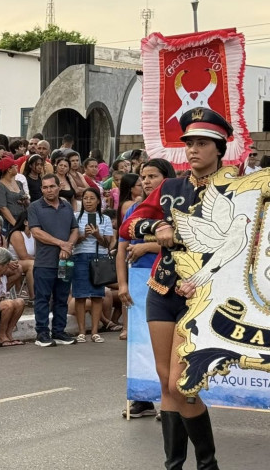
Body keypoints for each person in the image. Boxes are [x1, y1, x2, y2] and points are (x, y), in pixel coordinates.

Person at [121, 109, 229, 470]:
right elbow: (129, 225)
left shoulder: (235, 191)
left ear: (219, 148)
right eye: (189, 143)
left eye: (202, 143)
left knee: (180, 385)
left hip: (202, 297)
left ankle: (208, 466)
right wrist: (156, 226)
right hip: (161, 290)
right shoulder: (170, 187)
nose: (193, 149)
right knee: (165, 380)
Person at [116, 157, 174, 417]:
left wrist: (148, 246)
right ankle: (142, 398)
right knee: (140, 342)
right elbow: (121, 248)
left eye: (153, 177)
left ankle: (168, 400)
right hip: (138, 279)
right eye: (144, 177)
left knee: (166, 344)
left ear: (167, 179)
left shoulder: (177, 208)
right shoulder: (134, 211)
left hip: (168, 278)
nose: (147, 182)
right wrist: (122, 284)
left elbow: (184, 243)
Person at [28, 173, 78, 347]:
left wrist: (68, 246)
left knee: (62, 298)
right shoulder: (35, 207)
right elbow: (36, 232)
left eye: (52, 186)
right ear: (41, 189)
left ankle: (59, 331)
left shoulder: (66, 206)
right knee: (42, 298)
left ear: (59, 187)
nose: (48, 190)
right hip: (45, 262)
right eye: (45, 187)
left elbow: (75, 229)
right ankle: (42, 333)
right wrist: (61, 244)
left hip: (65, 261)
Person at [70, 187, 113, 343]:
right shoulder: (75, 217)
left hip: (98, 257)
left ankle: (95, 331)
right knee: (80, 295)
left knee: (97, 295)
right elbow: (72, 241)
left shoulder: (105, 219)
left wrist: (97, 235)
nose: (88, 201)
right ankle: (82, 331)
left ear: (98, 201)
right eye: (85, 198)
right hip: (80, 256)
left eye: (92, 198)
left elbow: (107, 243)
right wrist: (84, 235)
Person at [0, 154, 27, 231]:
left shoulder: (19, 183)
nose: (17, 166)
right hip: (8, 224)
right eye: (14, 165)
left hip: (22, 220)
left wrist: (25, 201)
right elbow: (3, 208)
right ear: (9, 169)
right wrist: (16, 224)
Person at [7, 209, 36, 297]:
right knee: (32, 264)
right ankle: (33, 297)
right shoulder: (17, 234)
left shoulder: (33, 234)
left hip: (26, 261)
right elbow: (24, 256)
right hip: (12, 263)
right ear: (26, 222)